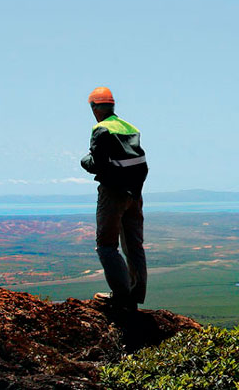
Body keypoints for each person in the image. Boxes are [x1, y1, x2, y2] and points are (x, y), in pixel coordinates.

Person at [80, 87, 149, 311]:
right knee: (133, 245)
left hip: (113, 194)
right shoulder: (131, 128)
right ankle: (135, 295)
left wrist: (84, 161)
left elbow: (96, 164)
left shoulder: (101, 129)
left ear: (94, 107)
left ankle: (121, 297)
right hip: (134, 194)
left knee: (106, 246)